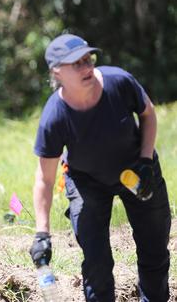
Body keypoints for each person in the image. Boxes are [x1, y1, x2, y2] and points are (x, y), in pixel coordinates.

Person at [29, 33, 171, 301]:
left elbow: (148, 113)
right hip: (87, 182)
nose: (87, 68)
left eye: (88, 59)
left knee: (154, 249)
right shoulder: (54, 117)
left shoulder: (118, 82)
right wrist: (42, 234)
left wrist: (145, 160)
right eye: (77, 64)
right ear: (57, 72)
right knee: (97, 263)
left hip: (136, 170)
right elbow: (44, 180)